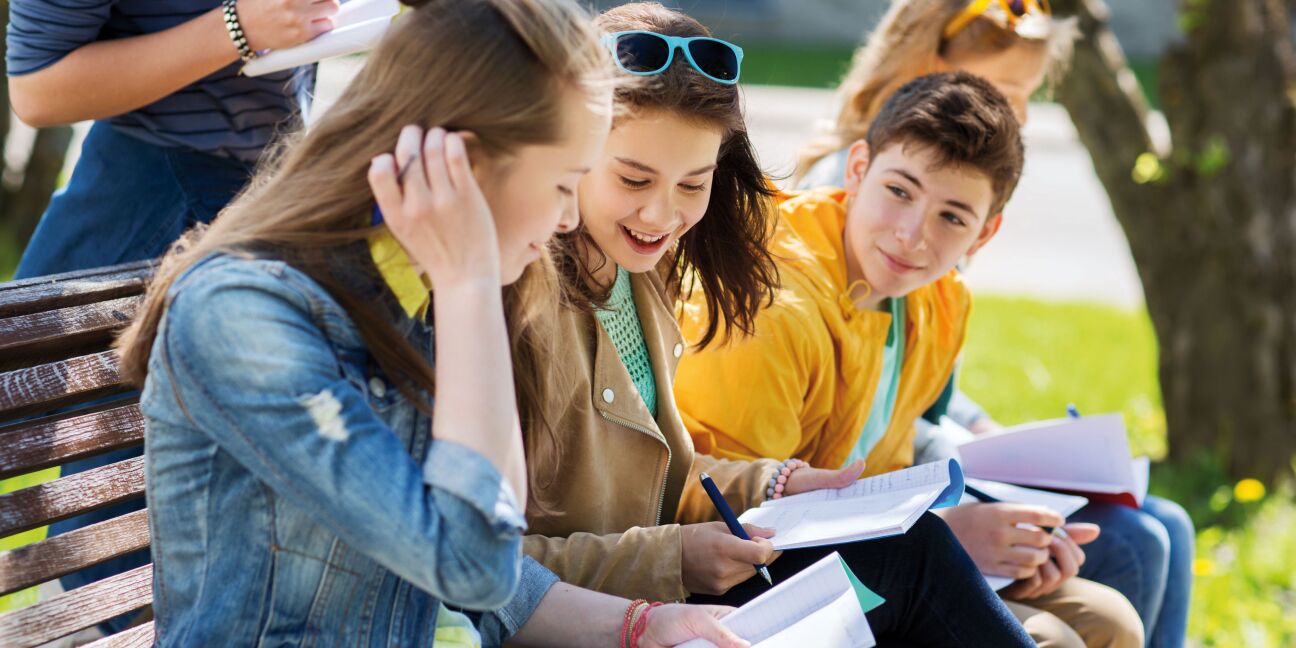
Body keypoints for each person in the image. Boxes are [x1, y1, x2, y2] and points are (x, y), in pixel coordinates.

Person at [112, 2, 748, 646]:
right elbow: (473, 561)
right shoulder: (247, 318)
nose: (564, 219)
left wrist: (641, 626)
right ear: (461, 167)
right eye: (561, 184)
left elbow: (490, 570)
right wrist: (468, 287)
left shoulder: (432, 286)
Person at [494, 3, 1036, 644]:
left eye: (694, 184)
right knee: (916, 560)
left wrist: (779, 482)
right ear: (571, 149)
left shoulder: (642, 271)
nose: (662, 213)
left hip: (664, 597)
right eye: (634, 178)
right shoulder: (515, 299)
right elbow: (487, 573)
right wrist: (675, 556)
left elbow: (663, 477)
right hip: (603, 621)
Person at [675, 69, 1142, 647]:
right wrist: (949, 533)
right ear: (857, 169)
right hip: (755, 583)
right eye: (899, 191)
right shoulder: (772, 309)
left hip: (874, 555)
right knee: (1060, 639)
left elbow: (886, 478)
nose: (912, 236)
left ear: (984, 233)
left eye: (952, 217)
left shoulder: (940, 300)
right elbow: (727, 523)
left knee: (1112, 620)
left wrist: (1015, 543)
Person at [798, 2, 1193, 645]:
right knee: (1133, 543)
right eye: (1002, 92)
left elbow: (905, 399)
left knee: (1161, 524)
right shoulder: (853, 224)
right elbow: (838, 445)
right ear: (929, 76)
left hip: (906, 490)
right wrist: (971, 480)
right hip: (866, 524)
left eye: (1026, 96)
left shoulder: (926, 247)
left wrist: (988, 439)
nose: (1017, 115)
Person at [5, 0, 335, 606]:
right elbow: (35, 89)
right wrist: (238, 28)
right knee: (120, 549)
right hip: (159, 206)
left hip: (278, 194)